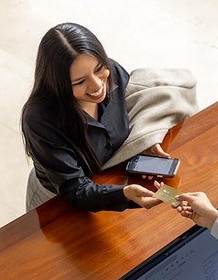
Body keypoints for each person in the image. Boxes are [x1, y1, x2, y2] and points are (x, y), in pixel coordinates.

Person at [21, 23, 168, 212]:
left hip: (107, 180)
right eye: (80, 81)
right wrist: (122, 195)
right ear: (58, 84)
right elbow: (75, 189)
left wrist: (142, 142)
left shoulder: (112, 71)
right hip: (56, 198)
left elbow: (130, 112)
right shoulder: (40, 120)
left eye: (99, 69)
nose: (98, 85)